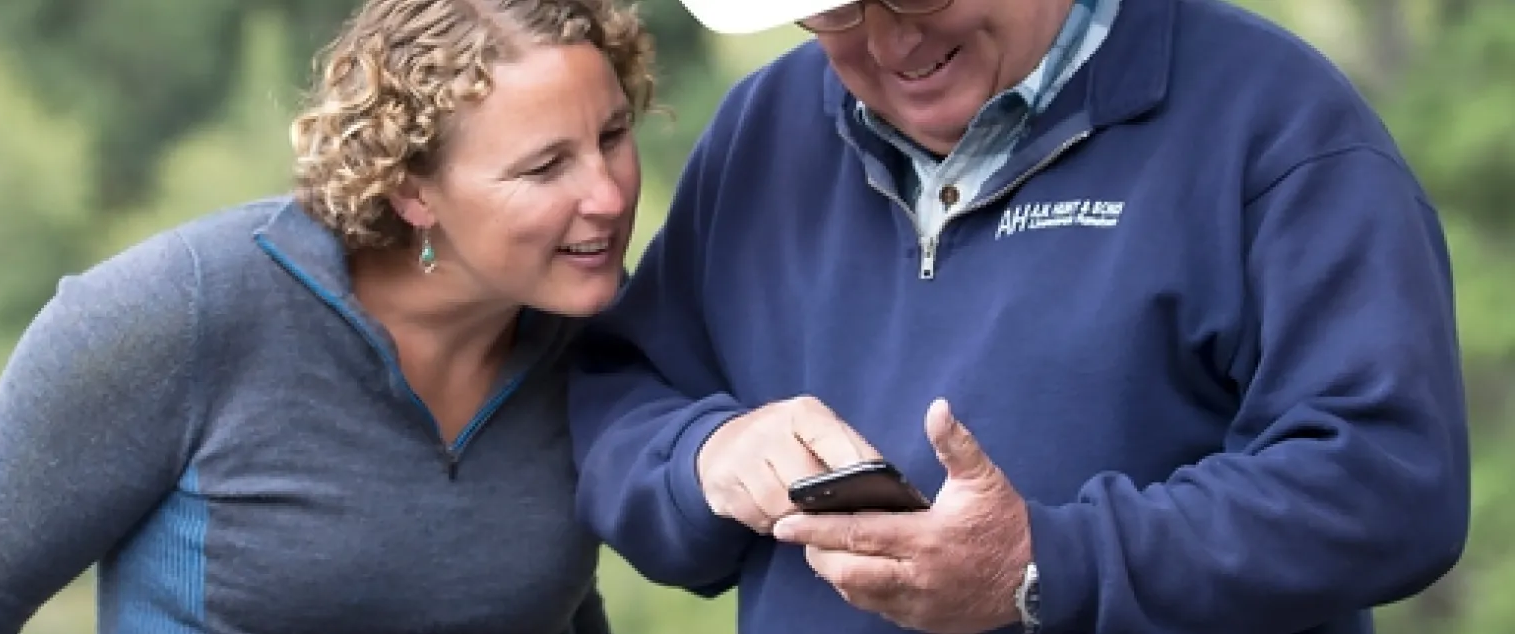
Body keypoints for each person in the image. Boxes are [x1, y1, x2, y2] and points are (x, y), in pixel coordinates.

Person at [567, 0, 1470, 632]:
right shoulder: (761, 130)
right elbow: (620, 394)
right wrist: (705, 456)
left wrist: (1046, 565)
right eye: (836, 11)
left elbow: (1388, 483)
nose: (890, 40)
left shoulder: (1274, 125)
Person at [0, 0, 657, 631]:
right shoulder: (175, 311)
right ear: (412, 191)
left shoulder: (588, 333)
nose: (609, 194)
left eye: (613, 136)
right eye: (545, 166)